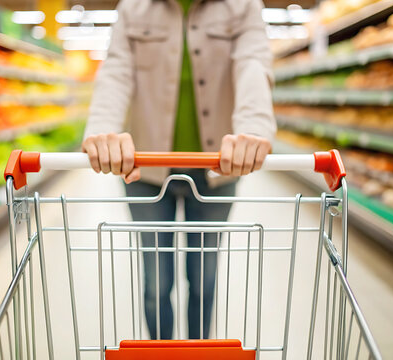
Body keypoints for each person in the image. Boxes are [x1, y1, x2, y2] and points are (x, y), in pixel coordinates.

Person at [82, 0, 276, 340]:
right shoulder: (134, 7)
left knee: (204, 279)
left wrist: (255, 128)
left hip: (218, 167)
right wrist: (101, 129)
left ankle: (198, 349)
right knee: (157, 282)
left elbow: (253, 64)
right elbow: (116, 71)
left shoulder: (242, 5)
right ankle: (162, 350)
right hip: (146, 171)